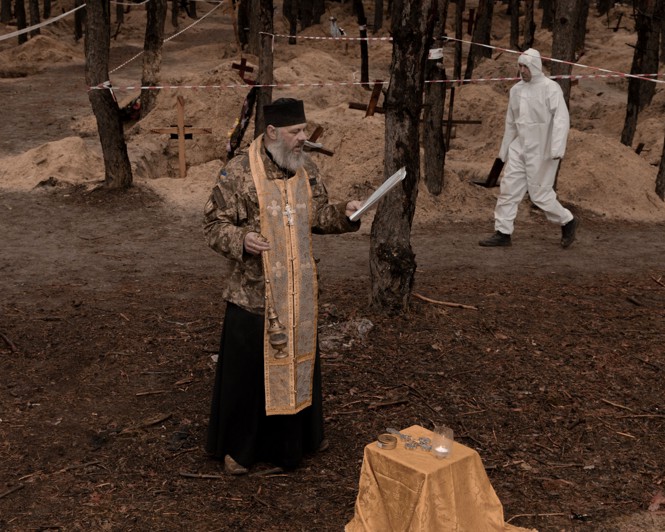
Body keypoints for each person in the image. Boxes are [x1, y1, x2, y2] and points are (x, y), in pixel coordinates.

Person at [203, 98, 363, 475]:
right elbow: (213, 226)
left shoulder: (306, 169)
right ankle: (240, 449)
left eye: (304, 131)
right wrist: (241, 239)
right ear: (272, 133)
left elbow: (319, 216)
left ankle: (299, 441)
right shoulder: (238, 173)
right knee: (250, 380)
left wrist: (346, 213)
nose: (302, 139)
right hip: (253, 299)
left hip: (299, 295)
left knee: (299, 367)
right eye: (295, 133)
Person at [479, 48, 579, 248]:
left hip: (542, 150)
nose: (522, 70)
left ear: (535, 66)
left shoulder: (550, 88)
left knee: (539, 194)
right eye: (520, 66)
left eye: (526, 66)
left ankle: (567, 220)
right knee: (508, 189)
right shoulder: (516, 91)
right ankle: (503, 232)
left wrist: (557, 148)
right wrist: (504, 150)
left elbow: (561, 119)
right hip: (519, 148)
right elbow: (511, 122)